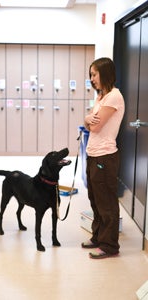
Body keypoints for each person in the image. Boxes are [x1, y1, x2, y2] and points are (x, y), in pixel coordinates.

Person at [81, 57, 125, 259]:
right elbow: (89, 122)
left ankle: (109, 246)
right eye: (90, 75)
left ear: (105, 74)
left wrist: (88, 120)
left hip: (105, 156)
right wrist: (87, 119)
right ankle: (98, 236)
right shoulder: (101, 97)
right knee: (95, 200)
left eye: (94, 74)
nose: (91, 79)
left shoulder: (114, 97)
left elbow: (95, 126)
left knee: (106, 202)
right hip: (93, 154)